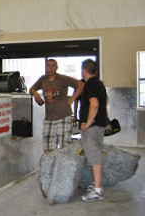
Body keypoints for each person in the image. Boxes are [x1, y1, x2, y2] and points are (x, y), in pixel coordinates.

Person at [29, 59, 84, 153]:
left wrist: (71, 99)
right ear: (45, 67)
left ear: (56, 68)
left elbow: (81, 84)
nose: (50, 68)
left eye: (53, 65)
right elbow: (31, 89)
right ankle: (50, 166)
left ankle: (65, 166)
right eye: (48, 65)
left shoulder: (62, 78)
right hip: (49, 118)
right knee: (48, 148)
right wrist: (36, 94)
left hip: (63, 116)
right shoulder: (43, 79)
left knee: (65, 147)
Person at [79, 59, 107, 202]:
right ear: (95, 71)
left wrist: (88, 123)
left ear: (84, 70)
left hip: (93, 128)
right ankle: (96, 185)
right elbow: (105, 101)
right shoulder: (100, 83)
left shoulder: (90, 84)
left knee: (94, 157)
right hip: (99, 126)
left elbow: (94, 103)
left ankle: (97, 191)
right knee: (95, 156)